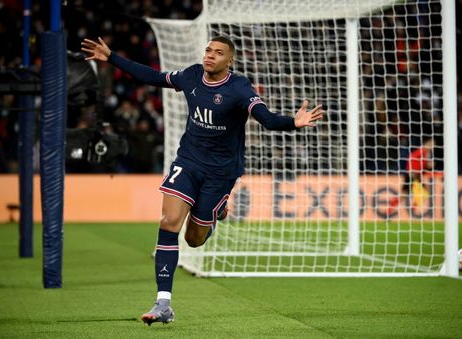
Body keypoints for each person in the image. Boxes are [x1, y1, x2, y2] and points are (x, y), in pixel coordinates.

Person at [81, 36, 324, 325]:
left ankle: (214, 214)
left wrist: (292, 123)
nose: (210, 56)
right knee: (168, 223)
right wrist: (112, 58)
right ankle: (163, 303)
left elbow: (267, 119)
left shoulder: (239, 88)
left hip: (220, 173)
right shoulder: (193, 75)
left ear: (229, 61)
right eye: (208, 50)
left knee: (193, 240)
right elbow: (154, 77)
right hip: (188, 162)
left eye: (218, 53)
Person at [388, 138, 434, 215]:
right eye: (431, 144)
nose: (432, 146)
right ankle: (411, 209)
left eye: (433, 144)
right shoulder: (421, 151)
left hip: (415, 175)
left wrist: (427, 166)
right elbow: (411, 158)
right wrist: (411, 170)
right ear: (427, 143)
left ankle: (390, 209)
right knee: (424, 192)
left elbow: (420, 165)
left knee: (405, 194)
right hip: (412, 175)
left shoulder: (426, 153)